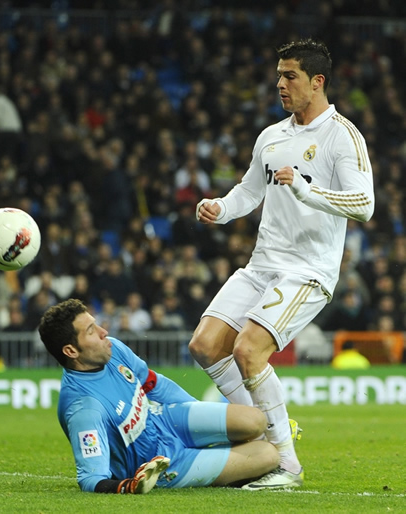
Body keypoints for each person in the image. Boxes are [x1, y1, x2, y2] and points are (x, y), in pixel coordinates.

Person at [188, 38, 374, 490]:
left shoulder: (343, 136)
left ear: (317, 81)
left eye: (290, 76)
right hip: (262, 265)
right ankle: (264, 429)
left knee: (248, 351)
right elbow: (249, 192)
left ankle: (284, 462)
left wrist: (307, 189)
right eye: (278, 75)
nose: (280, 84)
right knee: (205, 345)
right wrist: (220, 207)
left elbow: (364, 204)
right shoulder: (271, 136)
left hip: (307, 271)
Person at [38, 298, 281, 494]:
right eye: (92, 331)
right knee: (269, 455)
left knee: (255, 420)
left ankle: (223, 458)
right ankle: (224, 471)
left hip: (165, 420)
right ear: (71, 350)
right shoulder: (84, 409)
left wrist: (203, 419)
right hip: (163, 463)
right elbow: (91, 479)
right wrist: (127, 486)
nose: (104, 331)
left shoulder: (113, 349)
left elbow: (154, 384)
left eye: (97, 323)